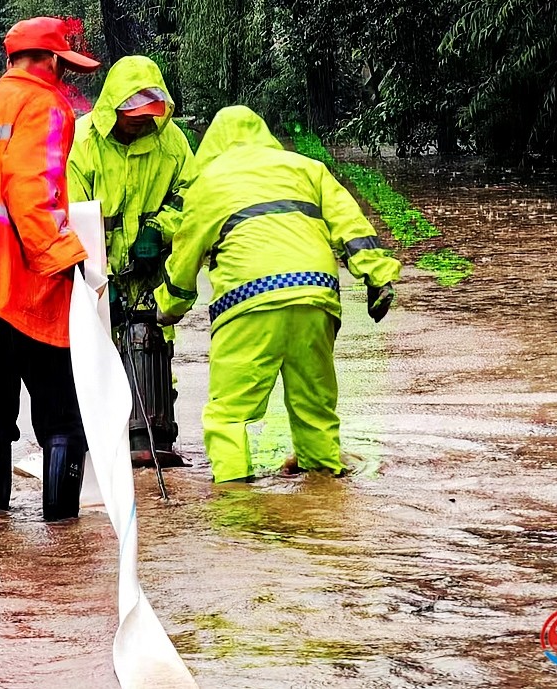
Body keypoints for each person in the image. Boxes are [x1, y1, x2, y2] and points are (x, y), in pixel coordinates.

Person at [154, 106, 401, 483]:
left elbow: (185, 256)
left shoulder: (209, 182)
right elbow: (352, 225)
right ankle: (323, 485)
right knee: (315, 409)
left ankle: (234, 499)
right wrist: (377, 275)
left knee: (228, 415)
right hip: (316, 294)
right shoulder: (308, 168)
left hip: (248, 300)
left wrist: (168, 307)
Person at [0, 16, 102, 520]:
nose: (63, 75)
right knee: (62, 419)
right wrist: (69, 260)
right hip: (25, 287)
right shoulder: (44, 104)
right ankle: (62, 538)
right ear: (49, 60)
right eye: (62, 64)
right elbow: (32, 190)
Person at [67, 55, 195, 466]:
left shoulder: (171, 142)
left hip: (149, 275)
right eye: (133, 115)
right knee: (95, 361)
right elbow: (72, 217)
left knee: (152, 347)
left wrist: (159, 229)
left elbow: (190, 197)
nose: (141, 123)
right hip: (95, 274)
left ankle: (154, 436)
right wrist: (98, 283)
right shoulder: (82, 143)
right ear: (114, 109)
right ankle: (101, 448)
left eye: (148, 115)